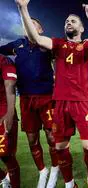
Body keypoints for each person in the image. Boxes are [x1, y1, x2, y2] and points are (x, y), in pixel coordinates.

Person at [16, 0, 88, 187]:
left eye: (73, 21)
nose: (68, 23)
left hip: (82, 103)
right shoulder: (58, 44)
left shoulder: (87, 45)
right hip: (61, 103)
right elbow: (36, 39)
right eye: (66, 21)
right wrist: (23, 8)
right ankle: (70, 183)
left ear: (81, 28)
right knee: (60, 148)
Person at [0, 18, 59, 188]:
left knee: (51, 137)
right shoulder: (17, 44)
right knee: (32, 139)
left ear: (40, 29)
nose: (28, 25)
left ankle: (55, 170)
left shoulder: (47, 44)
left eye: (33, 24)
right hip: (26, 99)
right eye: (26, 24)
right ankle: (42, 171)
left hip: (47, 97)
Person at [0, 55, 20, 187]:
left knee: (6, 155)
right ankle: (4, 177)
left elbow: (10, 86)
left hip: (2, 112)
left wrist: (10, 114)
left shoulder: (3, 61)